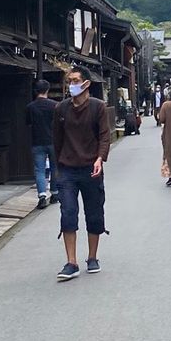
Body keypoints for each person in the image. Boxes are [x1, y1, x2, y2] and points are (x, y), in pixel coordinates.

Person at [51, 69, 111, 280]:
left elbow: (104, 136)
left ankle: (92, 257)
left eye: (75, 80)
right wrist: (58, 165)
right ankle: (71, 262)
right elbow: (57, 139)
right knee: (68, 212)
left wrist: (100, 158)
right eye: (69, 81)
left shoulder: (98, 107)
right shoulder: (61, 108)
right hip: (67, 168)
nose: (71, 85)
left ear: (86, 83)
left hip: (91, 167)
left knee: (94, 213)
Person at [25, 80, 56, 209]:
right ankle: (55, 193)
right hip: (53, 141)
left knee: (40, 170)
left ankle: (42, 196)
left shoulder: (30, 107)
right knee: (55, 168)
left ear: (35, 91)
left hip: (37, 141)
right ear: (47, 90)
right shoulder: (54, 105)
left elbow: (28, 123)